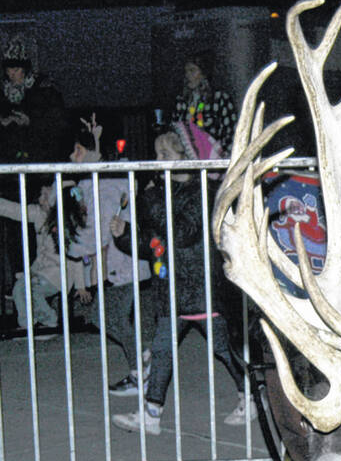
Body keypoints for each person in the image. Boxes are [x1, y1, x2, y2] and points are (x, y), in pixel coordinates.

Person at [112, 122, 255, 435]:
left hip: (200, 288)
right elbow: (154, 244)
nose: (159, 158)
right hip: (171, 289)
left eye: (166, 152)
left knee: (222, 347)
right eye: (157, 153)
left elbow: (182, 234)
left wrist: (150, 201)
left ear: (187, 156)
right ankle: (151, 414)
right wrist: (124, 238)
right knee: (162, 350)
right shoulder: (162, 194)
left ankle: (251, 394)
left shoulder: (203, 192)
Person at [66, 115, 158, 389]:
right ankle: (142, 359)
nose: (72, 157)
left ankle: (140, 369)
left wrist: (75, 248)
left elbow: (99, 228)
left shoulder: (103, 185)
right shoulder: (103, 180)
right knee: (109, 317)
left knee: (108, 317)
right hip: (123, 262)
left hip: (121, 264)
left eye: (77, 151)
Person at [0, 180, 89, 334]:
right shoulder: (39, 214)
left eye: (45, 195)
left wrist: (81, 285)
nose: (41, 198)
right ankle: (28, 324)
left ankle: (49, 320)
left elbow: (76, 256)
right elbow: (14, 210)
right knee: (19, 288)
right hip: (40, 269)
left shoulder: (68, 222)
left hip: (59, 273)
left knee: (32, 292)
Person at [0, 35, 68, 162]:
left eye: (16, 69)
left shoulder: (44, 90)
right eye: (9, 69)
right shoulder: (3, 93)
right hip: (8, 160)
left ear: (24, 70)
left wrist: (31, 121)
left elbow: (59, 124)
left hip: (39, 159)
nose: (11, 74)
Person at [170, 52, 237, 155]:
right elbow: (175, 130)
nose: (188, 75)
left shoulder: (220, 99)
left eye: (192, 70)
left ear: (204, 73)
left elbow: (231, 132)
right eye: (186, 71)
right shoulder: (182, 101)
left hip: (214, 157)